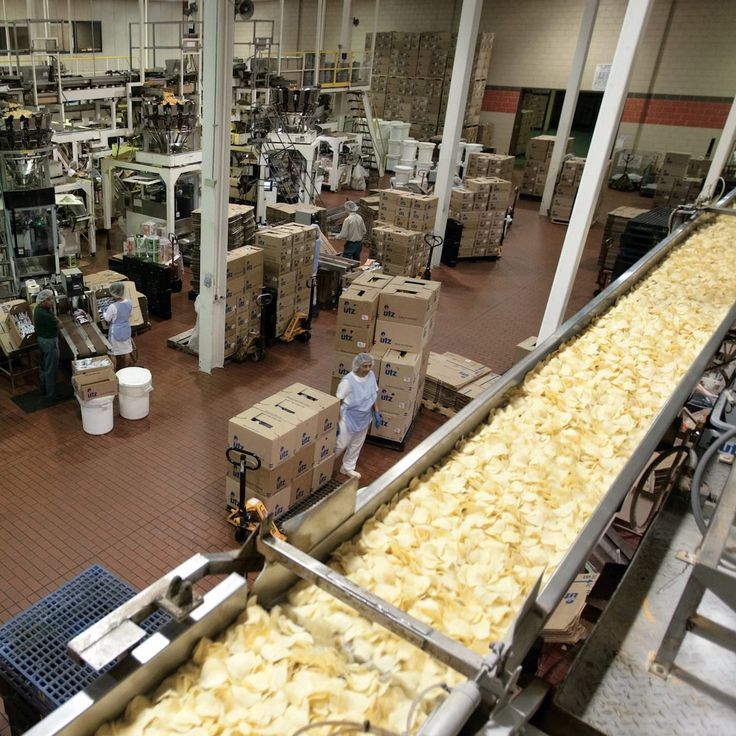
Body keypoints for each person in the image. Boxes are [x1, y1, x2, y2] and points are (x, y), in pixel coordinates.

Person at [335, 352, 380, 480]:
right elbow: (338, 401)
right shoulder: (348, 381)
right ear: (357, 366)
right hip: (348, 419)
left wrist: (377, 411)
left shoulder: (371, 375)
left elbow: (374, 394)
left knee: (356, 445)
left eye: (369, 366)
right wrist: (337, 422)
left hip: (364, 418)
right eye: (364, 366)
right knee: (339, 445)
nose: (368, 369)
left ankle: (347, 467)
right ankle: (322, 467)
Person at [34, 289, 62, 402]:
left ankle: (44, 389)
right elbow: (60, 325)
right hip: (49, 342)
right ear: (43, 301)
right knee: (51, 368)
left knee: (44, 367)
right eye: (49, 300)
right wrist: (57, 320)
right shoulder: (45, 314)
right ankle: (51, 395)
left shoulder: (38, 309)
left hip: (41, 340)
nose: (52, 302)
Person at [104, 281, 134, 369]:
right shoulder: (129, 302)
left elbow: (107, 319)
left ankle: (115, 371)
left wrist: (105, 314)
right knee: (127, 351)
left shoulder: (112, 307)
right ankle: (126, 369)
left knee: (113, 353)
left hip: (115, 332)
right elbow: (130, 314)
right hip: (126, 330)